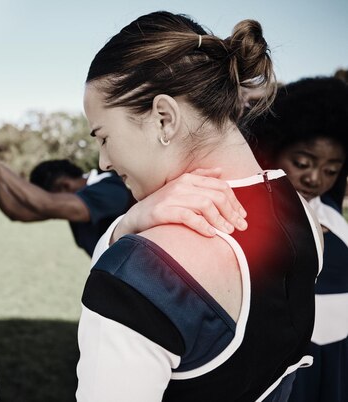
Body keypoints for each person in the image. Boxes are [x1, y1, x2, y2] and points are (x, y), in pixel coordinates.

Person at [76, 11, 322, 402]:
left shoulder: (142, 273)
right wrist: (130, 223)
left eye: (104, 137)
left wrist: (125, 242)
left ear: (163, 118)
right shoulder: (303, 216)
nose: (103, 161)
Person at [249, 77, 348, 402]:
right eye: (303, 163)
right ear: (276, 149)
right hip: (286, 364)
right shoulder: (251, 216)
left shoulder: (331, 212)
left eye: (331, 170)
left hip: (338, 360)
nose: (315, 178)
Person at [0, 154, 133, 256]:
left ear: (64, 186)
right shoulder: (77, 196)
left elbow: (46, 203)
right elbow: (18, 211)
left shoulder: (110, 189)